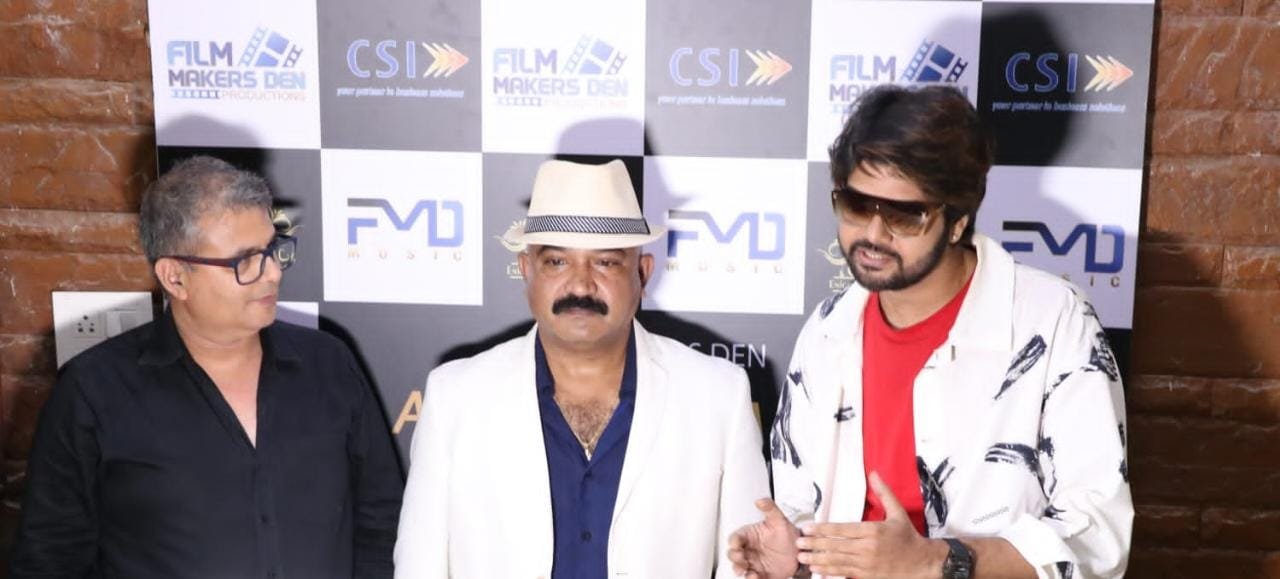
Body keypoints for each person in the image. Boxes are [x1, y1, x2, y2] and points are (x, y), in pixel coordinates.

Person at [729, 85, 1132, 579]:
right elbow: (806, 508)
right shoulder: (827, 331)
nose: (873, 234)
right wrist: (796, 556)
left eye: (904, 215)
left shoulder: (1052, 320)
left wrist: (934, 560)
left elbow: (1097, 537)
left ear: (957, 221)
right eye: (857, 205)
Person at [10, 156, 404, 579]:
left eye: (272, 250)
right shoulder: (94, 390)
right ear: (175, 277)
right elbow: (50, 556)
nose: (272, 273)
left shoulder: (328, 364)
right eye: (244, 260)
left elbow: (383, 522)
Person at [394, 159, 769, 578]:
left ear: (642, 274)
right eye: (557, 262)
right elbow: (418, 567)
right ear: (526, 270)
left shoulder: (717, 395)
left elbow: (749, 566)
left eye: (605, 262)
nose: (580, 285)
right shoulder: (456, 396)